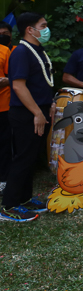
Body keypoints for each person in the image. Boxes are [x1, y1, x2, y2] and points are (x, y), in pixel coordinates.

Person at [1, 13, 55, 222]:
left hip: (39, 110)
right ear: (30, 30)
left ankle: (24, 199)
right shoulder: (21, 52)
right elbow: (18, 86)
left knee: (31, 157)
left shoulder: (37, 50)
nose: (46, 29)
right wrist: (37, 112)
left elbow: (41, 81)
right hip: (27, 113)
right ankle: (9, 206)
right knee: (23, 157)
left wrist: (49, 104)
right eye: (43, 25)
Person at [0, 22, 13, 196]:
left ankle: (3, 179)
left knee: (4, 143)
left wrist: (6, 80)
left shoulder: (6, 50)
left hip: (3, 105)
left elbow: (12, 76)